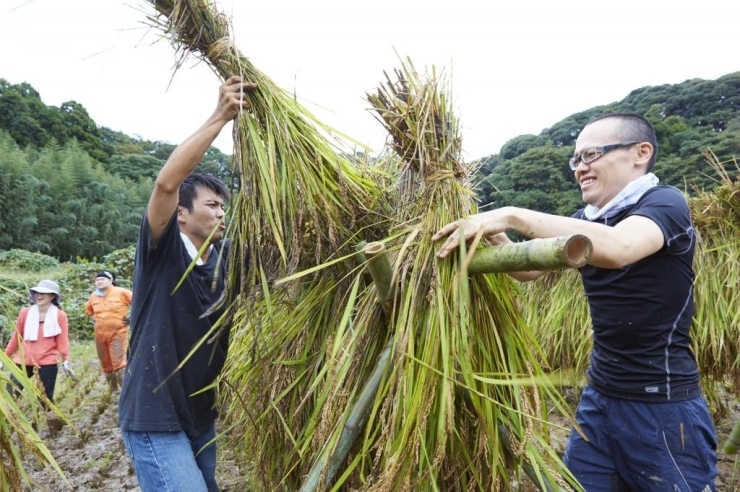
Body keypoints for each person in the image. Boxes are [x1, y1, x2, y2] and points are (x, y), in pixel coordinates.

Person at [433, 113, 717, 491]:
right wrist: (486, 232)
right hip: (598, 399)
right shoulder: (587, 219)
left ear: (640, 153)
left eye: (591, 155)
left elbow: (620, 247)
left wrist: (511, 214)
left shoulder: (664, 203)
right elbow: (527, 270)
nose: (580, 168)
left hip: (662, 407)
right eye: (576, 160)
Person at [118, 75, 257, 492]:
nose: (220, 213)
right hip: (155, 418)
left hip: (200, 415)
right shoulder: (162, 251)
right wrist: (220, 116)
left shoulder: (229, 256)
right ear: (182, 213)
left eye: (223, 206)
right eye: (212, 205)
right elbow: (166, 184)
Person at [3, 279, 72, 406]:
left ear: (52, 296)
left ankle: (53, 422)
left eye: (43, 294)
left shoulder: (60, 315)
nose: (39, 296)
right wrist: (3, 358)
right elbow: (16, 337)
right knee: (11, 394)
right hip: (23, 362)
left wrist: (66, 359)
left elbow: (62, 340)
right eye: (37, 293)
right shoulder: (25, 313)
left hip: (47, 363)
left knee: (45, 400)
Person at [84, 271, 133, 391]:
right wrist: (99, 321)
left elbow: (139, 303)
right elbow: (89, 312)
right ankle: (113, 390)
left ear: (111, 281)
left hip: (118, 333)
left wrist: (132, 318)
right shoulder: (93, 296)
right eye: (97, 280)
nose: (99, 281)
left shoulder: (122, 292)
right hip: (100, 334)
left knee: (119, 362)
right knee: (106, 363)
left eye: (102, 279)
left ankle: (125, 390)